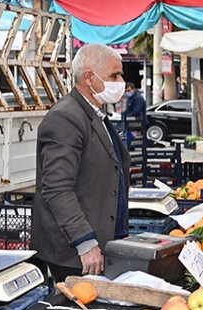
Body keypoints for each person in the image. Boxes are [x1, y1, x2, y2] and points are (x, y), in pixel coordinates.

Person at [31, 43, 130, 282]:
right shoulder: (66, 117)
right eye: (114, 75)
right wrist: (85, 242)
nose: (121, 81)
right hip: (76, 254)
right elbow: (57, 188)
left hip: (102, 243)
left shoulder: (95, 114)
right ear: (89, 78)